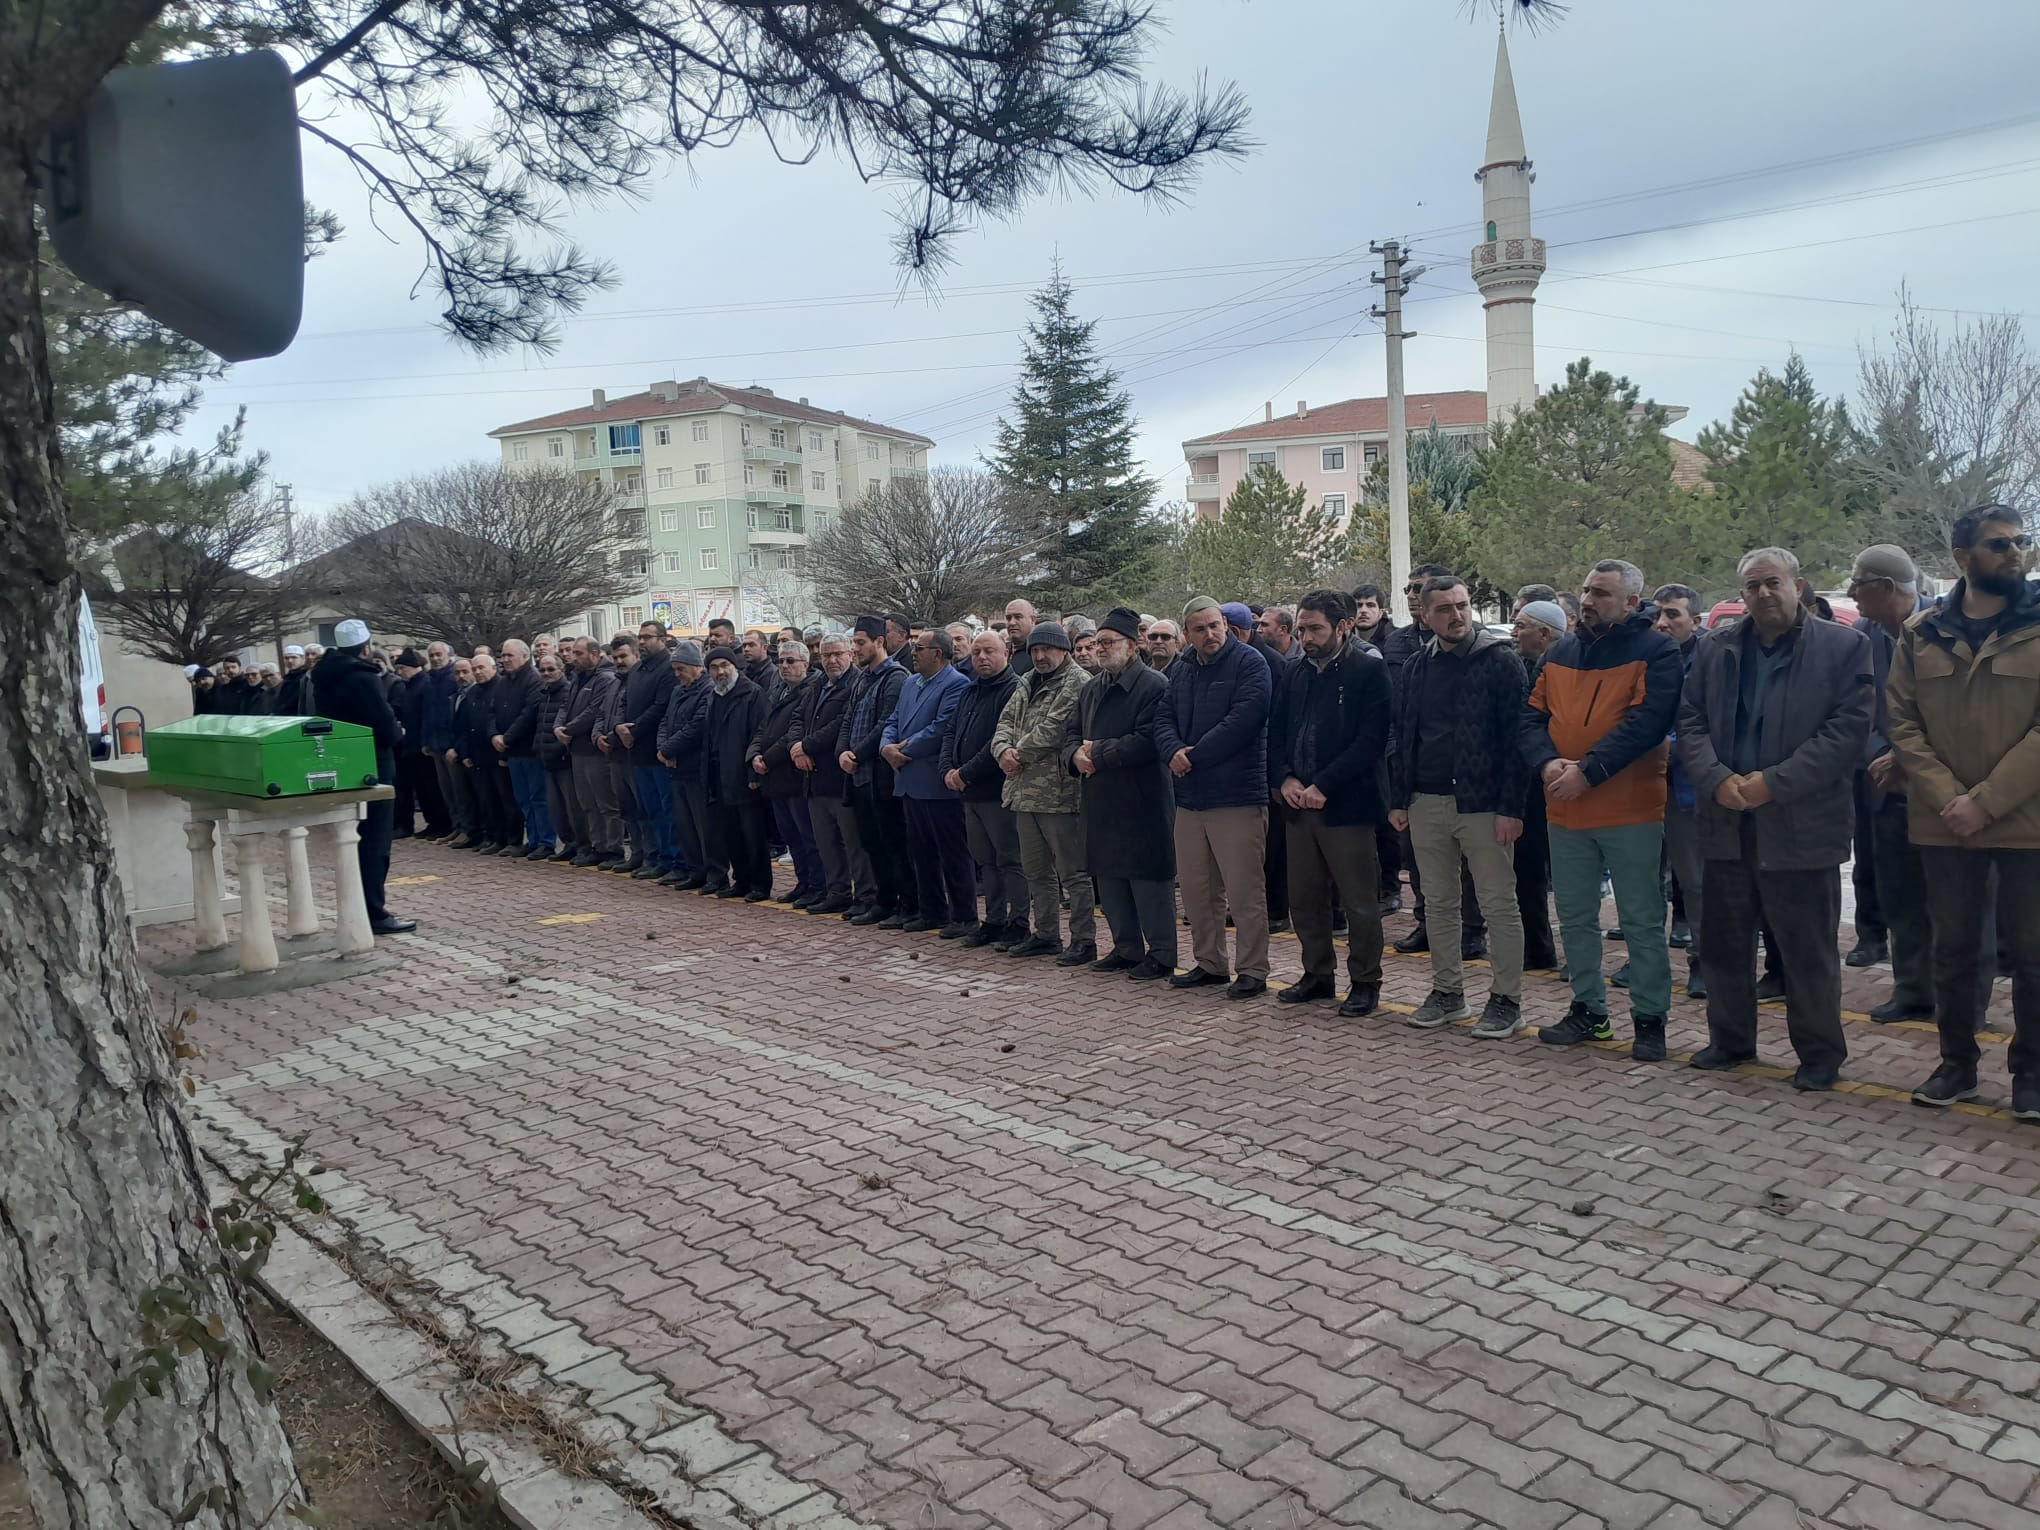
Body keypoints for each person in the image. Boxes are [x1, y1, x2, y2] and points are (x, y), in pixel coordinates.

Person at [1678, 548, 1871, 1092]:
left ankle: (1818, 1056)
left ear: (1798, 585)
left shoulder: (1845, 647)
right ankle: (1731, 1041)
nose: (1763, 594)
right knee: (1723, 944)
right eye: (1752, 586)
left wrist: (1772, 784)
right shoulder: (1715, 648)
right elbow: (1690, 722)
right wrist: (1718, 779)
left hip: (1801, 824)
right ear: (1741, 595)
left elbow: (1846, 733)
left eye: (1773, 583)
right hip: (1726, 821)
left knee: (1806, 951)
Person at [1889, 504, 2040, 1120]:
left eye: (2022, 542)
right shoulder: (1920, 632)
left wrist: (1985, 801)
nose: (2016, 552)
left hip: (2026, 822)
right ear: (1962, 558)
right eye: (2000, 543)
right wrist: (1951, 798)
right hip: (1943, 822)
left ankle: (2031, 1075)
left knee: (2032, 953)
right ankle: (1957, 1065)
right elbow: (1902, 723)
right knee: (1952, 950)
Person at [1522, 558, 1682, 1060]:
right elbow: (1529, 719)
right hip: (1565, 810)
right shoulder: (1561, 651)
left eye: (1603, 594)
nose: (1589, 600)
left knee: (1640, 919)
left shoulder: (1658, 652)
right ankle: (1589, 1010)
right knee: (1574, 917)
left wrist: (1587, 772)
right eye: (1587, 590)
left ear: (1633, 602)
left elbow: (1647, 724)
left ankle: (1650, 1017)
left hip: (1629, 810)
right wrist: (1548, 766)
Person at [1390, 576, 1530, 1037]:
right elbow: (1403, 737)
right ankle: (1447, 992)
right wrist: (1399, 799)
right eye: (1445, 608)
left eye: (1463, 605)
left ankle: (1506, 999)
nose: (1456, 615)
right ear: (1425, 615)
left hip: (1484, 805)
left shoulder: (1500, 662)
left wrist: (1512, 807)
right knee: (1438, 903)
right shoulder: (1414, 667)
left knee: (1497, 904)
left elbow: (1517, 742)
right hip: (1425, 801)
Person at [1847, 544, 1978, 1025]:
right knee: (1901, 899)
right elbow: (1854, 712)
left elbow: (1965, 713)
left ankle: (1966, 1004)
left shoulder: (1952, 630)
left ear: (1885, 588)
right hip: (1887, 792)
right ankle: (1913, 992)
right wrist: (1881, 756)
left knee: (1959, 906)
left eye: (1857, 584)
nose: (1850, 593)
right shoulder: (1860, 639)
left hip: (1948, 790)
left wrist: (1908, 759)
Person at [1269, 590, 1392, 1016]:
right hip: (1298, 805)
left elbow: (1371, 741)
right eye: (1302, 628)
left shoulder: (1368, 670)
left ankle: (1365, 982)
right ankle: (1317, 974)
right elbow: (1277, 732)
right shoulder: (1295, 671)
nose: (1306, 637)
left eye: (1315, 628)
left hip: (1346, 806)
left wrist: (1324, 784)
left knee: (1358, 901)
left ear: (1344, 626)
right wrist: (1283, 778)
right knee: (1304, 899)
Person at [1156, 597, 1274, 1000]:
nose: (1209, 634)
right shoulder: (1183, 669)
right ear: (1186, 634)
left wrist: (1194, 755)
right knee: (1197, 890)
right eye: (1199, 629)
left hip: (1237, 796)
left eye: (1214, 626)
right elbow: (1163, 717)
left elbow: (1245, 719)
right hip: (1190, 799)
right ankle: (1209, 963)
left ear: (1225, 624)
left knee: (1244, 892)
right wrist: (1172, 750)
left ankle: (1253, 969)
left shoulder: (1250, 663)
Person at [1066, 608, 1176, 979]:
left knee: (1147, 881)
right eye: (1097, 642)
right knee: (1109, 878)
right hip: (1099, 797)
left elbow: (1148, 740)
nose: (1099, 649)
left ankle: (1161, 954)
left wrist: (1096, 752)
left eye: (1108, 642)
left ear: (1131, 646)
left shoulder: (1154, 685)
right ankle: (1125, 947)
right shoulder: (1091, 687)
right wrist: (1074, 755)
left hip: (1141, 798)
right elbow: (1071, 733)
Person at [990, 621, 1094, 961]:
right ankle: (1047, 933)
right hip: (1023, 791)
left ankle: (1083, 940)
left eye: (1047, 649)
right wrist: (1001, 750)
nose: (1040, 655)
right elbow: (1005, 721)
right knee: (1036, 871)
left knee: (1072, 873)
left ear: (1063, 650)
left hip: (1059, 794)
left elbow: (1055, 727)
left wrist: (1017, 753)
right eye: (1035, 650)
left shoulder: (1078, 681)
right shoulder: (1027, 680)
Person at [309, 620, 414, 934]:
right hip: (373, 764)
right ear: (366, 647)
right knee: (375, 841)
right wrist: (397, 732)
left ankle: (357, 905)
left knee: (350, 837)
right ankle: (375, 912)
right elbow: (382, 723)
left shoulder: (323, 677)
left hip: (344, 761)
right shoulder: (363, 678)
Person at [882, 629, 974, 935]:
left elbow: (940, 728)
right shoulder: (911, 682)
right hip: (908, 780)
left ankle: (964, 915)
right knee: (920, 853)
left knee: (952, 853)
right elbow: (893, 720)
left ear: (937, 652)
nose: (913, 653)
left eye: (919, 648)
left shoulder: (957, 684)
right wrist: (886, 747)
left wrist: (902, 750)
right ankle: (932, 911)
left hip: (936, 783)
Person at [943, 630, 1027, 949]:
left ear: (1005, 652)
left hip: (997, 790)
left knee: (1010, 859)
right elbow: (952, 731)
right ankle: (994, 920)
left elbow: (999, 740)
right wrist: (947, 769)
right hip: (970, 793)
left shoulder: (1014, 689)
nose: (981, 658)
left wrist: (965, 773)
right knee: (986, 860)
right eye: (976, 652)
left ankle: (1018, 922)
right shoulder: (971, 689)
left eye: (988, 651)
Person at [1650, 584, 1707, 999]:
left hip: (1687, 789)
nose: (1663, 623)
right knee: (1644, 882)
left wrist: (1667, 747)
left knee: (1696, 882)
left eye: (1673, 615)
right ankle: (1646, 963)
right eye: (1659, 615)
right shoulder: (1648, 659)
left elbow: (1702, 722)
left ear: (1696, 622)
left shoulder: (1710, 662)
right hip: (1641, 788)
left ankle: (1704, 964)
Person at [838, 616, 912, 926]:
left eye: (860, 643)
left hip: (882, 777)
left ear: (879, 642)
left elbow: (886, 723)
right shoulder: (861, 678)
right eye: (853, 643)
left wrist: (857, 752)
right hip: (859, 776)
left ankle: (907, 903)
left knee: (894, 843)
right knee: (871, 842)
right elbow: (848, 720)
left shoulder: (895, 678)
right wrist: (843, 751)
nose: (855, 650)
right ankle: (884, 900)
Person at [1508, 602, 1566, 972]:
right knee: (1526, 872)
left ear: (1545, 634)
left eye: (1521, 626)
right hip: (1528, 784)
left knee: (1568, 872)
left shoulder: (1568, 668)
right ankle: (1537, 947)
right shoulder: (1517, 667)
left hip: (1565, 779)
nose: (1513, 633)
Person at [749, 641, 825, 905]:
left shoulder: (812, 690)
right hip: (774, 777)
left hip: (795, 774)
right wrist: (754, 754)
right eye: (781, 661)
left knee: (808, 836)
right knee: (791, 836)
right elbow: (764, 727)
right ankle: (803, 883)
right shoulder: (778, 689)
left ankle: (818, 886)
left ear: (806, 663)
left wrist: (767, 759)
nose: (785, 666)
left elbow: (792, 734)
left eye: (791, 661)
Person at [796, 633, 866, 914]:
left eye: (838, 654)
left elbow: (841, 724)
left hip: (841, 777)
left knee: (854, 844)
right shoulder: (816, 685)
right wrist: (795, 747)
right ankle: (837, 891)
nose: (832, 660)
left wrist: (806, 745)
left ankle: (865, 895)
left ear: (850, 652)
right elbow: (799, 719)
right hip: (814, 778)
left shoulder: (856, 684)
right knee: (826, 843)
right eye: (826, 655)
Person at [702, 646, 772, 900]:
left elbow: (760, 733)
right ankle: (741, 880)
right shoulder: (713, 695)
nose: (720, 671)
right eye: (714, 667)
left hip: (743, 774)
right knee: (731, 833)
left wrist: (753, 774)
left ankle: (760, 884)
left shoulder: (752, 694)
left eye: (724, 666)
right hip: (719, 774)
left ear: (735, 666)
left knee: (753, 834)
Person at [617, 622, 678, 879]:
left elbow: (661, 706)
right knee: (648, 810)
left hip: (656, 750)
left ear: (662, 639)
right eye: (640, 637)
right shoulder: (638, 668)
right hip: (636, 752)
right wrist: (620, 727)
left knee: (667, 812)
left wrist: (635, 730)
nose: (642, 642)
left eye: (648, 637)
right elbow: (624, 701)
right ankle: (656, 859)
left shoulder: (669, 669)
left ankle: (674, 860)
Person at [558, 638, 624, 868]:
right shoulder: (577, 677)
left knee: (606, 803)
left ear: (595, 654)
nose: (573, 657)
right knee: (587, 803)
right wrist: (558, 726)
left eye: (578, 653)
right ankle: (597, 846)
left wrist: (568, 729)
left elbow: (594, 711)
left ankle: (613, 848)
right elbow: (565, 706)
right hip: (577, 749)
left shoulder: (605, 678)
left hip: (594, 750)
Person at [655, 643, 712, 887]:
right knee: (684, 824)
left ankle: (711, 872)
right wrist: (663, 748)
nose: (677, 674)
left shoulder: (707, 690)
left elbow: (697, 726)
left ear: (697, 667)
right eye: (675, 669)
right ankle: (695, 870)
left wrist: (669, 749)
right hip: (675, 767)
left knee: (702, 825)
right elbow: (666, 721)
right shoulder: (678, 692)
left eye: (681, 669)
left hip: (695, 766)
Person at [494, 638, 549, 857]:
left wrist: (506, 738)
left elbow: (529, 714)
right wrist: (493, 735)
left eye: (510, 655)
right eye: (503, 655)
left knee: (538, 797)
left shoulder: (533, 680)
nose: (505, 659)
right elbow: (493, 710)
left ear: (525, 657)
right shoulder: (503, 681)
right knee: (523, 798)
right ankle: (533, 839)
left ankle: (545, 840)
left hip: (529, 749)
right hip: (512, 751)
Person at [462, 652, 519, 853]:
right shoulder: (472, 692)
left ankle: (512, 839)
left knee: (506, 800)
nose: (478, 672)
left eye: (481, 668)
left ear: (494, 668)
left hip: (497, 753)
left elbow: (503, 718)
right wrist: (466, 753)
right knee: (487, 800)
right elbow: (465, 724)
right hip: (478, 755)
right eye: (475, 669)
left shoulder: (502, 687)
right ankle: (493, 837)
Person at [422, 643, 471, 847]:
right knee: (447, 792)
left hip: (451, 745)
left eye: (438, 654)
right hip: (436, 744)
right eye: (431, 655)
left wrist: (455, 745)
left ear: (448, 655)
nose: (435, 658)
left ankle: (467, 829)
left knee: (461, 791)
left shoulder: (453, 678)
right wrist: (427, 741)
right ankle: (456, 826)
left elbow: (457, 717)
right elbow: (427, 713)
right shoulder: (430, 680)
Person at [533, 649, 579, 862]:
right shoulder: (544, 694)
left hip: (563, 759)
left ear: (561, 670)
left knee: (572, 807)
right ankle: (568, 843)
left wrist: (558, 750)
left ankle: (579, 844)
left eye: (551, 669)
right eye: (542, 670)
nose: (546, 673)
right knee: (556, 808)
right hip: (546, 759)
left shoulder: (568, 693)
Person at [389, 649, 432, 838]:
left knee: (428, 787)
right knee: (419, 788)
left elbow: (426, 717)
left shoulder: (423, 685)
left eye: (402, 668)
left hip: (419, 745)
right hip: (409, 743)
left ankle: (437, 822)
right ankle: (430, 822)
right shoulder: (408, 686)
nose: (400, 672)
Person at [443, 655, 481, 847]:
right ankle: (467, 830)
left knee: (477, 796)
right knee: (462, 795)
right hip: (457, 750)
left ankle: (477, 833)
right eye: (457, 673)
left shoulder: (474, 694)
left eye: (465, 671)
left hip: (470, 753)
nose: (461, 676)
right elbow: (453, 726)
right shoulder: (456, 696)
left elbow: (470, 726)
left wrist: (461, 751)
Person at [1003, 598, 1039, 676]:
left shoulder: (1038, 653)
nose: (1012, 623)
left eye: (1018, 617)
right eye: (1008, 618)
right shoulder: (1001, 650)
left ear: (1032, 620)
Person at [274, 645, 313, 715]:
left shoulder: (308, 677)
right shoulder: (286, 678)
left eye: (294, 657)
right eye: (286, 658)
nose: (290, 661)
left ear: (303, 658)